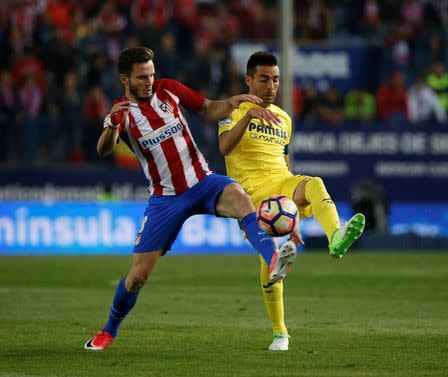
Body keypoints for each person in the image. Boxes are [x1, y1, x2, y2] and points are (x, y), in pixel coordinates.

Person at [84, 47, 297, 350]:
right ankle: (108, 331)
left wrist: (234, 103)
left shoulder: (169, 90)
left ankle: (273, 257)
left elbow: (209, 108)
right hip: (166, 198)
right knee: (138, 277)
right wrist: (113, 126)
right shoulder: (121, 113)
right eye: (142, 77)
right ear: (125, 78)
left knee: (240, 198)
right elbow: (104, 149)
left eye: (151, 74)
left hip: (203, 182)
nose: (149, 81)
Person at [217, 51, 365, 351]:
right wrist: (247, 115)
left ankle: (335, 236)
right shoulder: (230, 109)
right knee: (270, 257)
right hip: (249, 193)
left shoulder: (284, 118)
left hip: (280, 183)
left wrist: (292, 214)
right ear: (249, 80)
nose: (271, 86)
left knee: (314, 182)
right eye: (264, 79)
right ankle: (280, 332)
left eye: (276, 80)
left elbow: (284, 164)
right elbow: (224, 147)